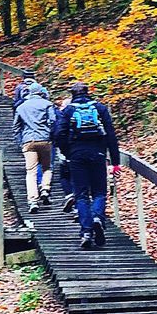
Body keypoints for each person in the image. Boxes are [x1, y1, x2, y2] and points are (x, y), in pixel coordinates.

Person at [55, 82, 119, 249]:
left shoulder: (68, 111)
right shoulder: (100, 108)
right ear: (87, 92)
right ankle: (98, 217)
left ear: (72, 94)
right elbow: (111, 134)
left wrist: (67, 153)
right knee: (99, 192)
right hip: (98, 153)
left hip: (76, 155)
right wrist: (115, 162)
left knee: (81, 194)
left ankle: (86, 232)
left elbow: (59, 134)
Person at [13, 82, 56, 213]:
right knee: (47, 167)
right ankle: (45, 188)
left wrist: (20, 141)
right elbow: (53, 121)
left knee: (30, 172)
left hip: (28, 141)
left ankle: (32, 201)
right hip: (44, 140)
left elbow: (16, 126)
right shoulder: (47, 104)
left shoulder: (21, 107)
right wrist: (50, 135)